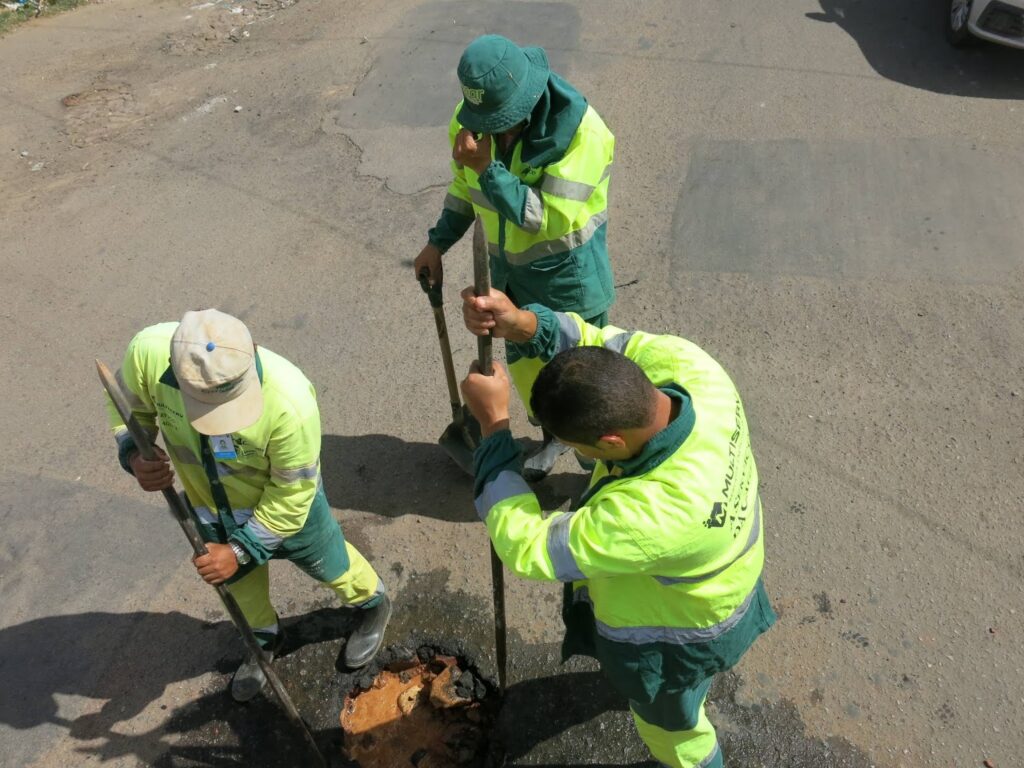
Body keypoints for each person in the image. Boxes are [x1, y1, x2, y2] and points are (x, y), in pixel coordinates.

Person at [459, 289, 776, 768]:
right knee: (692, 689)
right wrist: (522, 323)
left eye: (575, 446)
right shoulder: (694, 370)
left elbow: (527, 546)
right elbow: (601, 342)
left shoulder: (648, 518)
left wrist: (494, 429)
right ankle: (696, 688)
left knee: (673, 729)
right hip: (728, 575)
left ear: (610, 441)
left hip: (687, 633)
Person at [106, 309, 391, 702]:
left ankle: (373, 603)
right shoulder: (146, 354)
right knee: (241, 588)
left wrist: (240, 550)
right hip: (210, 509)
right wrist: (133, 453)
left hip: (286, 513)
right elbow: (127, 410)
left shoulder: (290, 402)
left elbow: (291, 496)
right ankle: (263, 638)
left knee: (330, 562)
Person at [414, 33, 616, 479]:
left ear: (529, 97)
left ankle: (598, 467)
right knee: (534, 380)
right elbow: (464, 188)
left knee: (585, 386)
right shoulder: (472, 123)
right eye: (488, 119)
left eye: (504, 120)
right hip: (510, 284)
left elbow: (539, 218)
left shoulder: (582, 132)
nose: (496, 130)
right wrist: (437, 242)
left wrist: (488, 168)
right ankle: (554, 438)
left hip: (569, 282)